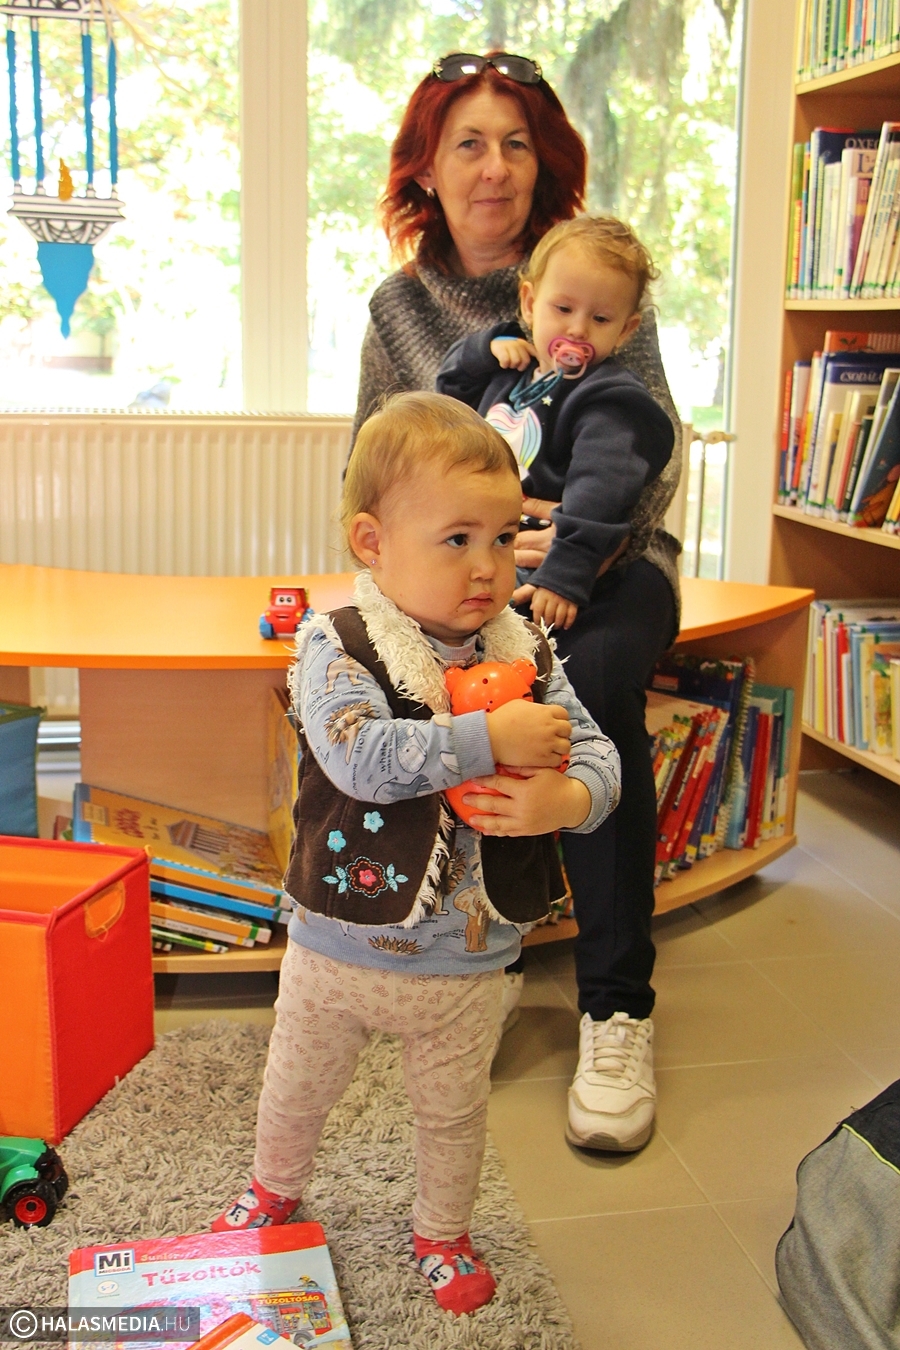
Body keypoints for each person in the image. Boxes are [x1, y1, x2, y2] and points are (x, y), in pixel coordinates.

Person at [213, 393, 620, 1316]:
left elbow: (600, 757)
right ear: (373, 542)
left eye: (504, 538)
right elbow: (359, 757)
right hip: (337, 945)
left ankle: (442, 1230)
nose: (487, 566)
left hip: (468, 960)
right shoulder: (336, 642)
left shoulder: (527, 646)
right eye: (457, 539)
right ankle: (273, 1189)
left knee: (453, 1114)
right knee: (296, 1090)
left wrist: (565, 798)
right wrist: (488, 740)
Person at [351, 51, 682, 1154]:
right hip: (457, 573)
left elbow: (651, 460)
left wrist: (559, 543)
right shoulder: (400, 306)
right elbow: (372, 461)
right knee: (414, 681)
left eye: (517, 144)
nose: (495, 167)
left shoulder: (593, 275)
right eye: (469, 144)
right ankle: (462, 960)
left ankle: (616, 1008)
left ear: (544, 165)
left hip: (610, 569)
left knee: (585, 688)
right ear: (428, 168)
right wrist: (460, 548)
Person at [436, 214, 674, 635]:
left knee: (499, 641)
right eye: (563, 309)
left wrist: (564, 574)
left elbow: (599, 496)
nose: (578, 328)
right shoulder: (510, 371)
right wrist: (486, 349)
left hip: (540, 562)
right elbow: (446, 395)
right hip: (479, 544)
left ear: (626, 330)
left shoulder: (608, 402)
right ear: (530, 303)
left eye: (601, 319)